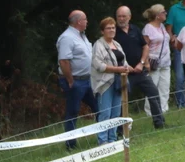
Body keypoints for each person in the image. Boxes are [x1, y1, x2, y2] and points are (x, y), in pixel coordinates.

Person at [115, 6, 165, 129]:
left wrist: (142, 63)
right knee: (122, 101)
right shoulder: (113, 32)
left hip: (140, 71)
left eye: (124, 16)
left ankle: (159, 123)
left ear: (129, 17)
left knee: (153, 93)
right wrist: (125, 66)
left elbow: (145, 46)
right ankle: (121, 129)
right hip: (124, 73)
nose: (121, 19)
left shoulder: (135, 29)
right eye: (119, 16)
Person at [57, 11, 97, 150]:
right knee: (73, 111)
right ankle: (70, 145)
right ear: (79, 21)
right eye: (85, 19)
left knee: (98, 106)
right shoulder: (67, 38)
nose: (87, 22)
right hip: (75, 81)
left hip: (88, 79)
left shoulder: (82, 36)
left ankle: (104, 136)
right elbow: (63, 61)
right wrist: (70, 80)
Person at [92, 18, 132, 144]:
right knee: (105, 113)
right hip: (105, 83)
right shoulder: (98, 45)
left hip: (119, 82)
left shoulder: (117, 44)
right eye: (108, 28)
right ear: (102, 31)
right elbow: (99, 65)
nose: (111, 30)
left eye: (113, 28)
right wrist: (117, 69)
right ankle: (103, 141)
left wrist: (127, 68)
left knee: (115, 112)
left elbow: (123, 61)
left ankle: (112, 139)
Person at [143, 5, 172, 119]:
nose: (166, 14)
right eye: (163, 12)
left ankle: (163, 110)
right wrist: (146, 62)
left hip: (166, 63)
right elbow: (145, 46)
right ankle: (150, 112)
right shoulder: (148, 28)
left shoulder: (162, 26)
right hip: (153, 63)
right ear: (157, 15)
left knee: (164, 88)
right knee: (152, 88)